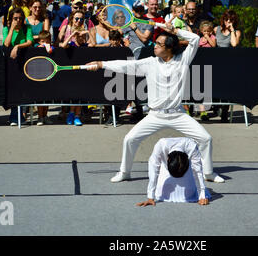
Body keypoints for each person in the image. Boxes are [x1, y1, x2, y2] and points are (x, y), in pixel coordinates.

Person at [86, 24, 225, 184]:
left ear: (170, 48)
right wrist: (101, 64)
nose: (155, 46)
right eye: (156, 43)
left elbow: (195, 39)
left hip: (178, 114)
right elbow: (125, 66)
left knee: (205, 138)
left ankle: (208, 172)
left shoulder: (183, 60)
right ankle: (125, 172)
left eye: (159, 44)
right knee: (130, 139)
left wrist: (175, 31)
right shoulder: (150, 63)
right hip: (155, 115)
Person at [136, 137, 210, 207]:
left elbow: (198, 171)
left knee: (189, 192)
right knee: (162, 191)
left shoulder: (192, 146)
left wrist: (202, 195)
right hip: (166, 168)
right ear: (167, 159)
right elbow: (153, 171)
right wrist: (150, 197)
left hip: (186, 171)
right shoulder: (161, 145)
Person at [59, 10, 91, 126]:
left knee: (79, 93)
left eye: (81, 19)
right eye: (76, 19)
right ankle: (72, 114)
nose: (79, 21)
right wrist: (72, 35)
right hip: (70, 68)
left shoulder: (84, 43)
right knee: (74, 93)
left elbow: (93, 44)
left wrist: (87, 32)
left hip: (82, 69)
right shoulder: (71, 42)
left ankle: (75, 115)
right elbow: (63, 45)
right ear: (72, 19)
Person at [3, 7, 34, 126]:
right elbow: (6, 43)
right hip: (12, 63)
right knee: (13, 89)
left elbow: (29, 41)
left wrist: (17, 47)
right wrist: (12, 29)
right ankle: (13, 116)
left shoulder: (27, 28)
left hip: (25, 61)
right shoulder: (6, 28)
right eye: (15, 18)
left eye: (20, 18)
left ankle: (21, 115)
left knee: (24, 89)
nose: (18, 20)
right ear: (11, 19)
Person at [197, 21, 216, 121]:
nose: (206, 33)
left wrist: (208, 37)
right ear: (201, 31)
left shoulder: (212, 38)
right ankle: (202, 111)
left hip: (210, 63)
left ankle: (208, 108)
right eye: (204, 31)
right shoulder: (200, 39)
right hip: (201, 63)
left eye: (208, 31)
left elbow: (213, 45)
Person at [35, 31, 54, 126]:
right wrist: (43, 47)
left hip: (49, 75)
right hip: (39, 76)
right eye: (42, 41)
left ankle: (45, 116)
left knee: (47, 98)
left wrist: (48, 47)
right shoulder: (37, 48)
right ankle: (40, 117)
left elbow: (50, 51)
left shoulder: (51, 47)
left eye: (47, 41)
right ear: (39, 41)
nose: (45, 43)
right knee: (40, 98)